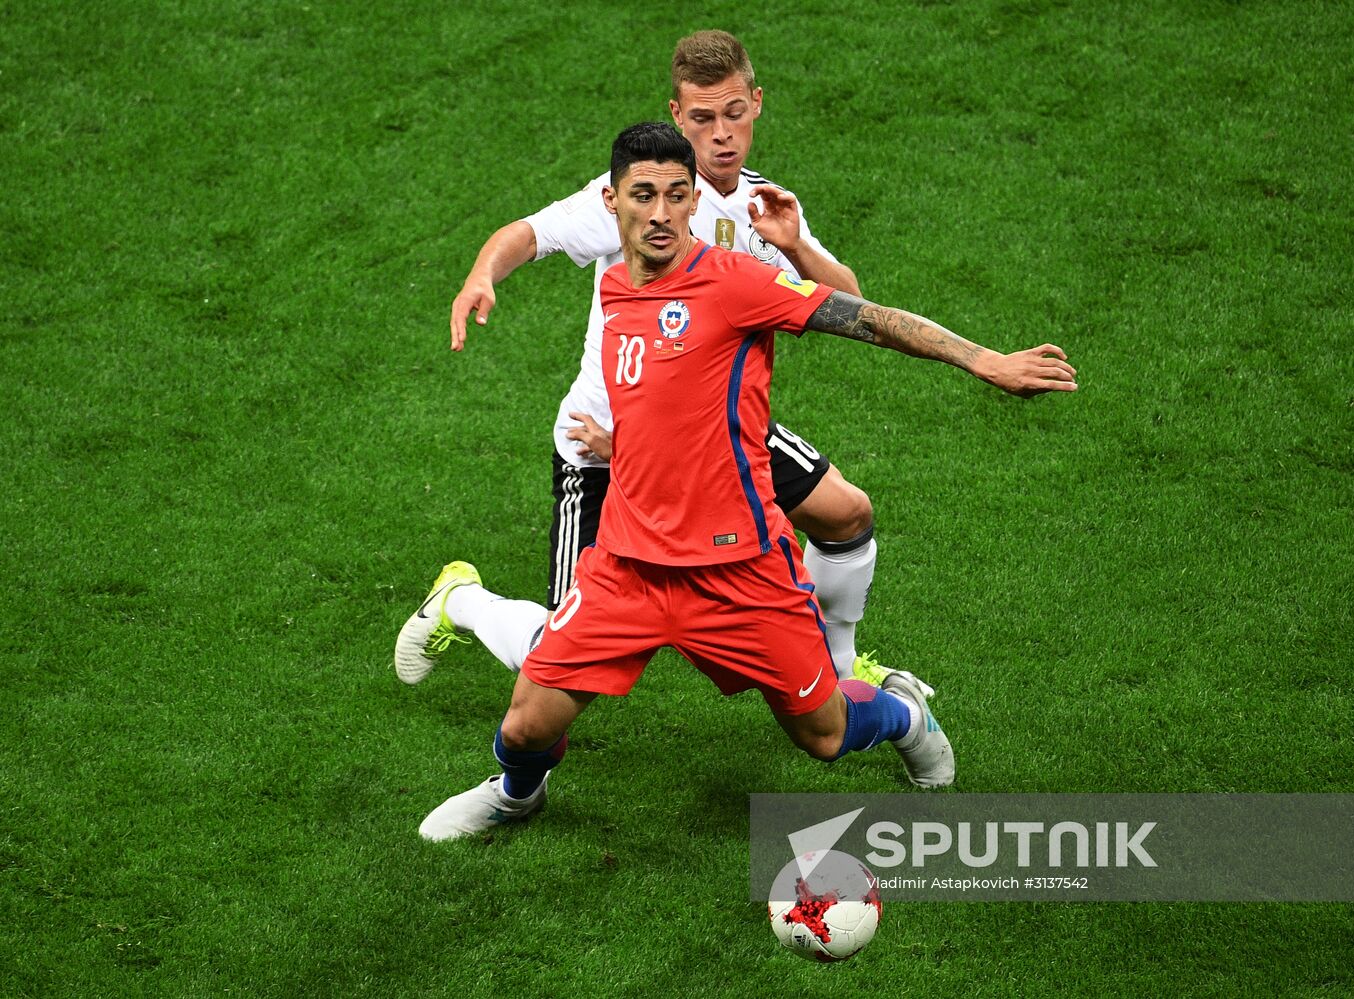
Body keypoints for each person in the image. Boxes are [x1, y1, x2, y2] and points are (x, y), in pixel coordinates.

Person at [399, 122, 1077, 841]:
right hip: (629, 567)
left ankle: (904, 712)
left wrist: (983, 361)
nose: (660, 212)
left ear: (694, 203)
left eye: (676, 195)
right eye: (644, 196)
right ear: (613, 201)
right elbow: (662, 401)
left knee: (823, 734)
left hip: (739, 571)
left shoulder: (735, 282)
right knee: (527, 722)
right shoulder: (616, 290)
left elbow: (867, 317)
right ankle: (516, 792)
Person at [446, 30, 886, 681]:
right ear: (678, 117)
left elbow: (852, 309)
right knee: (557, 662)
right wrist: (483, 274)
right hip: (602, 445)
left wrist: (795, 247)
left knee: (847, 513)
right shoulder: (636, 195)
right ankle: (463, 601)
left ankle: (841, 669)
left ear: (757, 103)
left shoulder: (765, 205)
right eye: (703, 119)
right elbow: (529, 234)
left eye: (734, 113)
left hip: (716, 438)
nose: (722, 135)